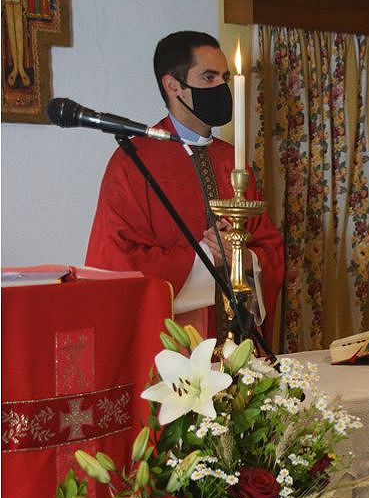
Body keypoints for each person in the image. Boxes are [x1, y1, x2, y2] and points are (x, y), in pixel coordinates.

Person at [86, 30, 284, 339]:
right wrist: (205, 256)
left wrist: (244, 259)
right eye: (208, 77)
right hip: (171, 345)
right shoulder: (134, 160)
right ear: (173, 85)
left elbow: (267, 245)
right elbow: (116, 261)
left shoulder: (233, 160)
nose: (220, 87)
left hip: (238, 339)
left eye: (224, 78)